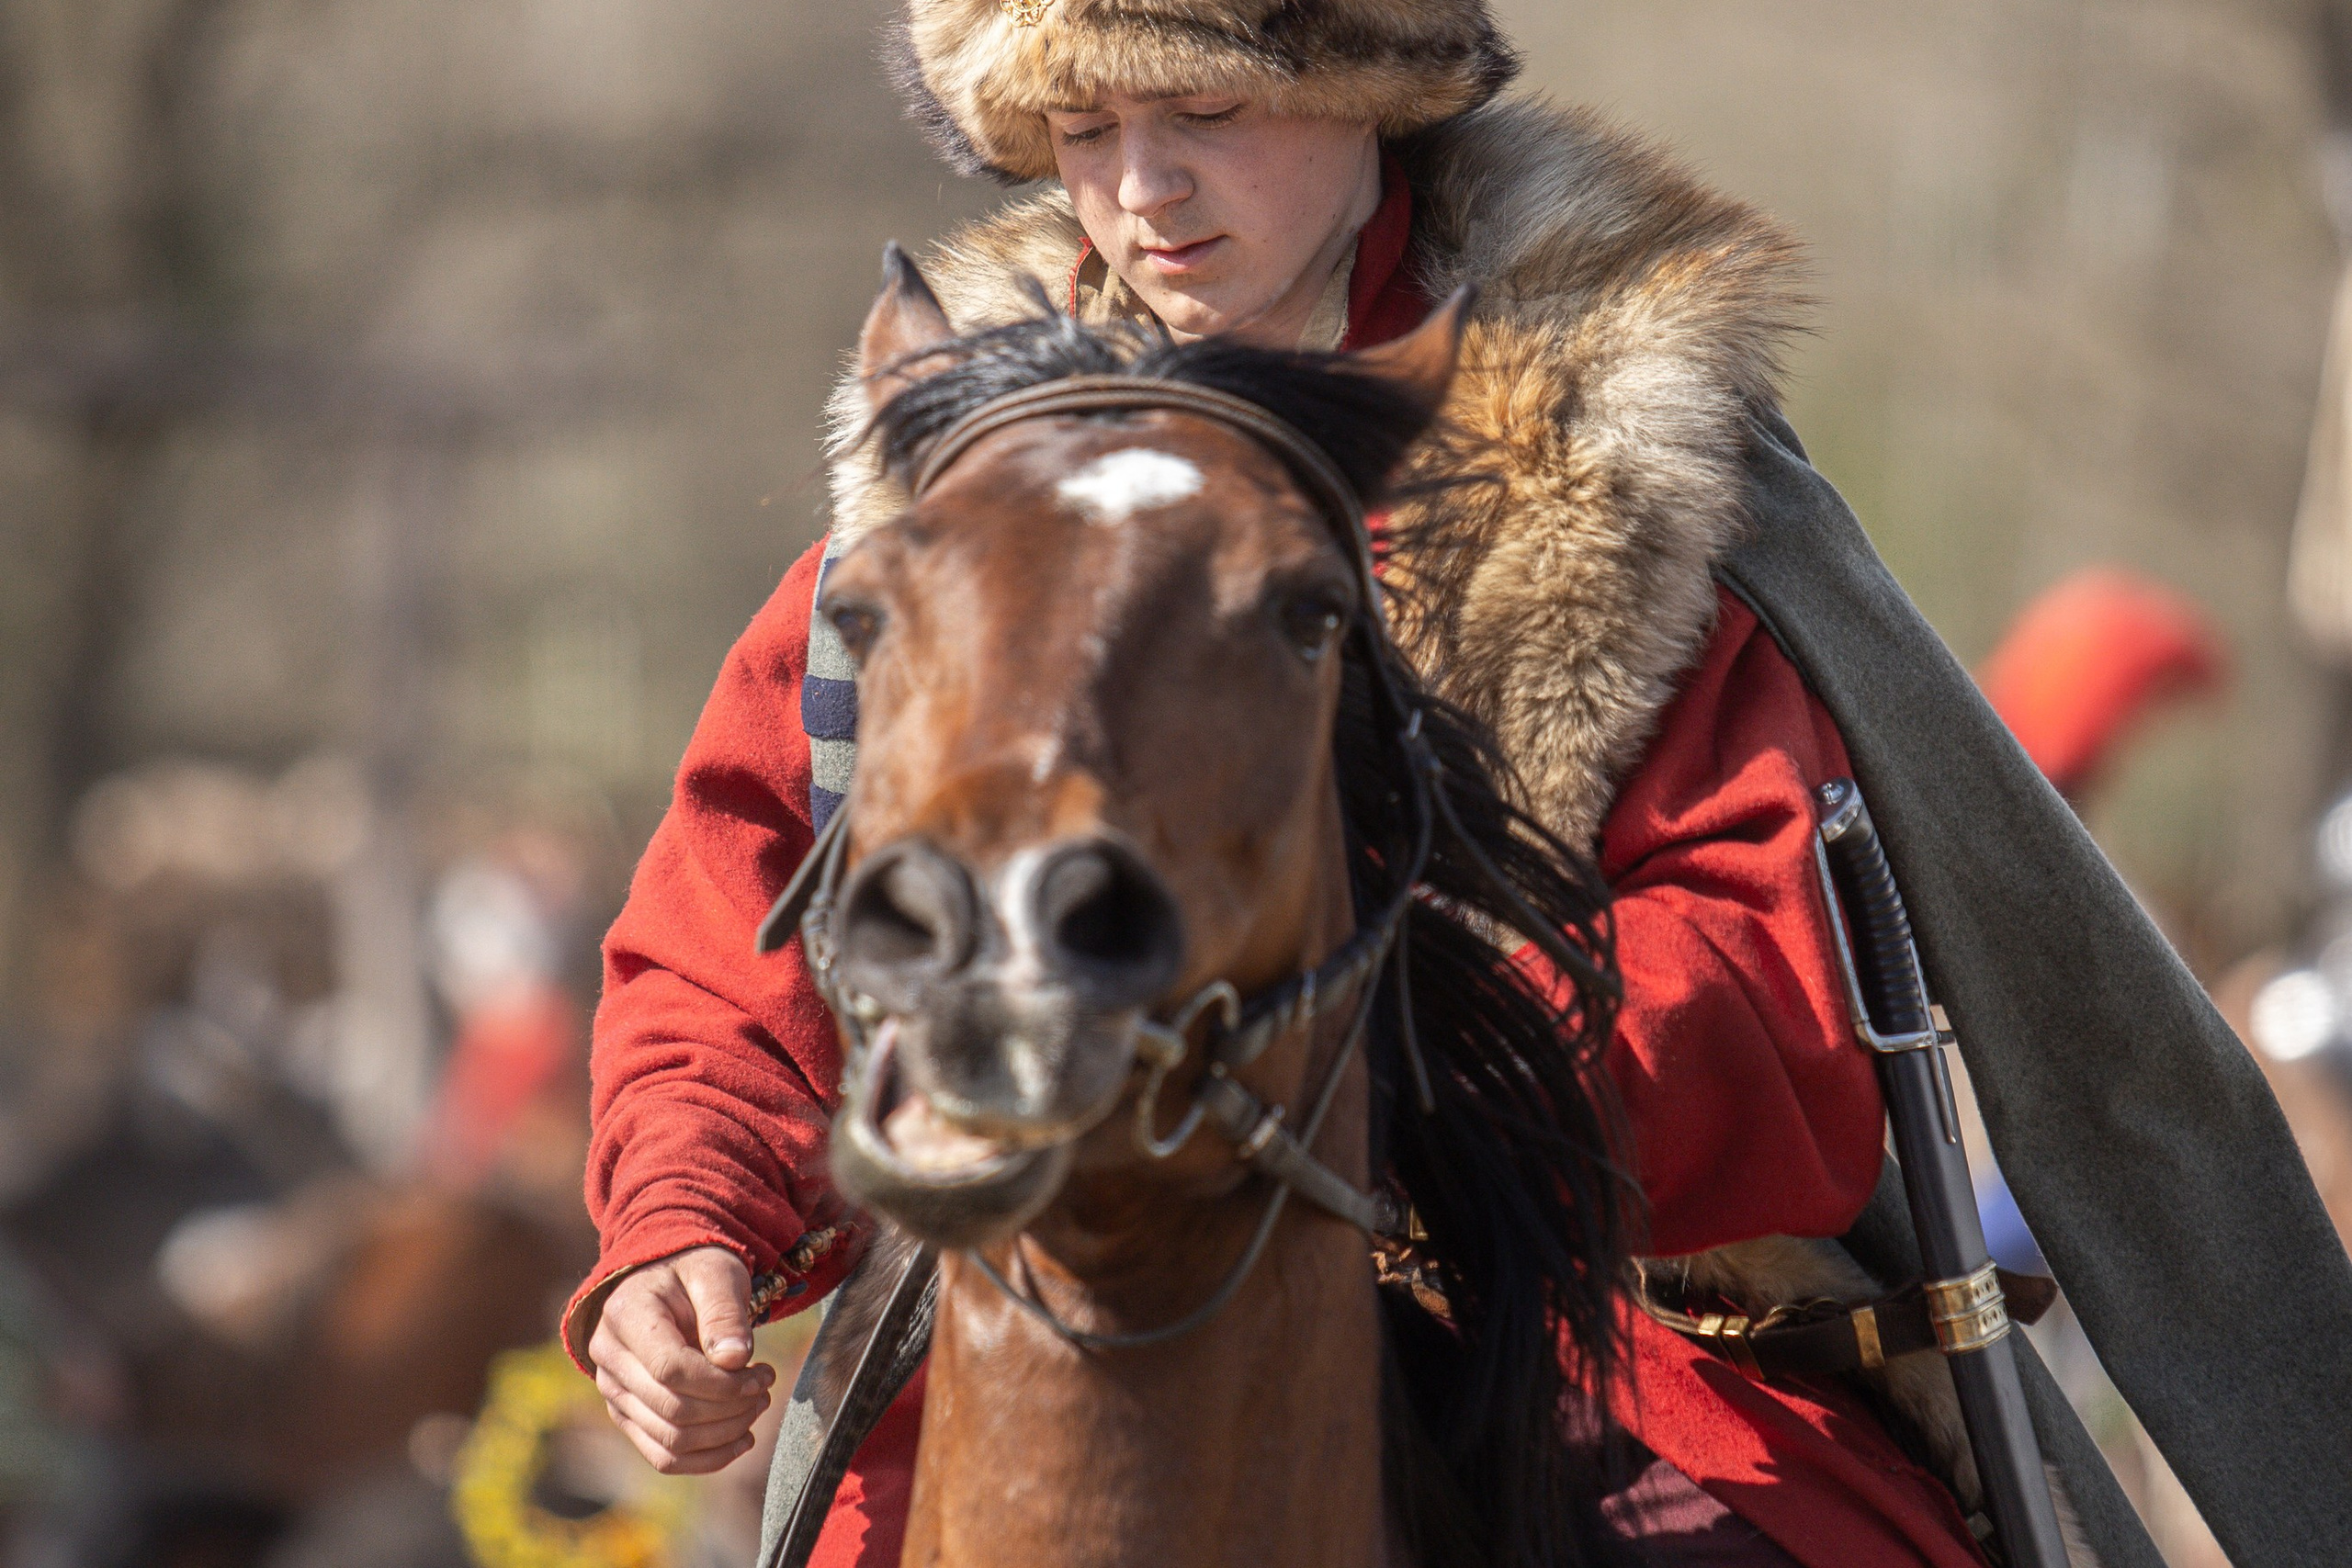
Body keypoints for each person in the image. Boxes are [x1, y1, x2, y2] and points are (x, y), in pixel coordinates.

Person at [566, 5, 2352, 1567]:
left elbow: (1757, 993)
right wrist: (679, 1224)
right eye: (1083, 129)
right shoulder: (954, 473)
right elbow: (736, 940)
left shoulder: (1617, 460)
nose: (1140, 189)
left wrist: (1343, 1059)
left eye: (1203, 110)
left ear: (1374, 88)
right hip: (1051, 1321)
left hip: (1595, 1334)